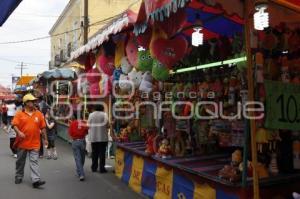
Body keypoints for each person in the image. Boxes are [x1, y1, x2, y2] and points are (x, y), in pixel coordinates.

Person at [12, 93, 48, 188]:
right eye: (31, 101)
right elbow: (14, 125)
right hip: (22, 143)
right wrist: (19, 132)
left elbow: (43, 127)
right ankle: (19, 176)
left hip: (35, 143)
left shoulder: (39, 114)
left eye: (34, 101)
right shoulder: (19, 113)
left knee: (34, 161)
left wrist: (45, 139)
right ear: (26, 102)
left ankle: (35, 180)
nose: (34, 102)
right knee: (20, 161)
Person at [87, 104, 110, 173]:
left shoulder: (91, 115)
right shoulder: (104, 114)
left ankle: (94, 167)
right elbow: (107, 125)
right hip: (103, 137)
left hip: (93, 137)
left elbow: (88, 125)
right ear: (102, 108)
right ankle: (102, 168)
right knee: (102, 153)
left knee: (94, 153)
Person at [68, 115, 88, 181]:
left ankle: (80, 173)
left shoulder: (72, 124)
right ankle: (80, 172)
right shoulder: (83, 123)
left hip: (75, 142)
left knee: (78, 158)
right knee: (82, 158)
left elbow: (70, 134)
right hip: (82, 141)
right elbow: (86, 131)